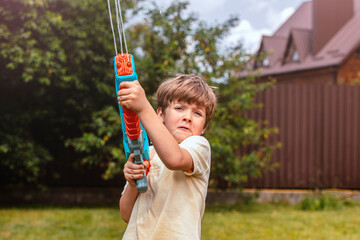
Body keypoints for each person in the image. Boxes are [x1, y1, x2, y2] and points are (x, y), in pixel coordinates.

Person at [118, 74, 217, 240]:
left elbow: (174, 159)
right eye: (179, 108)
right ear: (161, 115)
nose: (188, 117)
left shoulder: (199, 147)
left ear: (204, 126)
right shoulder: (145, 153)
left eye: (198, 113)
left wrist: (143, 108)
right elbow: (126, 214)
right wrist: (132, 183)